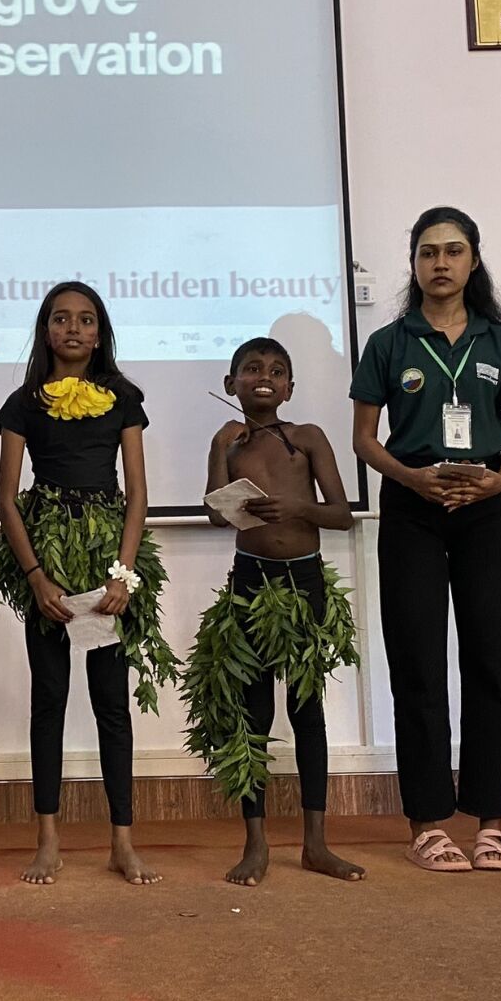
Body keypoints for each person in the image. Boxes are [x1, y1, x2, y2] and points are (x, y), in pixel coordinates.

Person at [350, 206, 501, 874]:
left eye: (453, 251)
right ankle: (427, 822)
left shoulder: (499, 341)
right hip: (412, 508)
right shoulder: (390, 343)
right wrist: (413, 479)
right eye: (427, 252)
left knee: (491, 660)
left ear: (473, 260)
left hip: (485, 507)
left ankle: (491, 821)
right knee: (418, 665)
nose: (440, 263)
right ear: (414, 263)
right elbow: (364, 439)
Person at [0, 281, 176, 887]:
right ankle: (48, 840)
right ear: (46, 330)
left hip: (105, 561)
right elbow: (7, 499)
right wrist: (36, 576)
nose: (74, 329)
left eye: (87, 319)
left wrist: (123, 573)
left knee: (112, 705)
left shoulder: (123, 397)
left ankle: (122, 841)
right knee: (49, 701)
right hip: (48, 554)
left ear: (101, 332)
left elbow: (138, 493)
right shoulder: (24, 402)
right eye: (61, 319)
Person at [187, 337, 363, 886]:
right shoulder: (229, 442)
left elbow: (341, 515)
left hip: (304, 582)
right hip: (250, 584)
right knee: (252, 713)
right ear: (231, 383)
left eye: (277, 370)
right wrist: (220, 449)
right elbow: (219, 516)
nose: (265, 376)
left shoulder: (308, 438)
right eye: (252, 369)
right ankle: (256, 842)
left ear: (290, 388)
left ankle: (316, 843)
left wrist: (298, 507)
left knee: (308, 712)